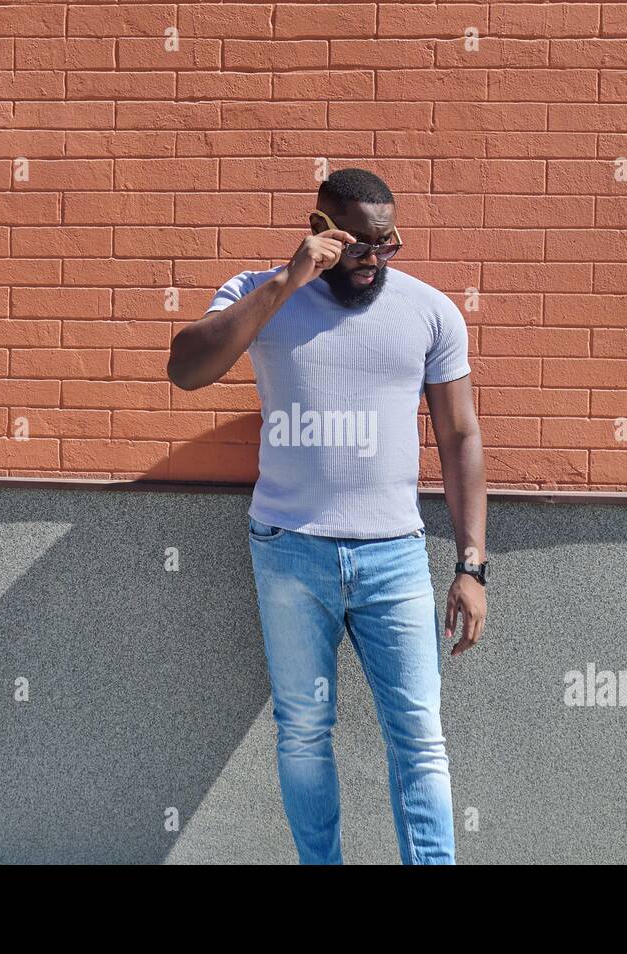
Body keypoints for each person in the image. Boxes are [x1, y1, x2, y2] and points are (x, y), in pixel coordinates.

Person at [167, 168, 488, 864]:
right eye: (358, 244)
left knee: (419, 735)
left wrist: (471, 564)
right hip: (289, 552)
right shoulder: (260, 289)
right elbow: (187, 369)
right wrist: (286, 284)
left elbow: (461, 436)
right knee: (305, 731)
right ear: (321, 231)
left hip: (395, 556)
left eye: (386, 244)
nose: (373, 259)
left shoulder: (430, 312)